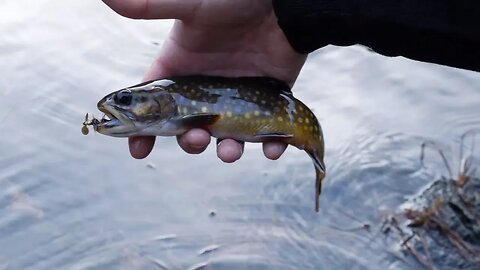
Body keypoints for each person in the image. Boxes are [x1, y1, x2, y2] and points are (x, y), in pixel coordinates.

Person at [101, 0, 480, 162]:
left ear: (165, 107)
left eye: (125, 101)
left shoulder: (180, 112)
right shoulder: (174, 106)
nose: (117, 107)